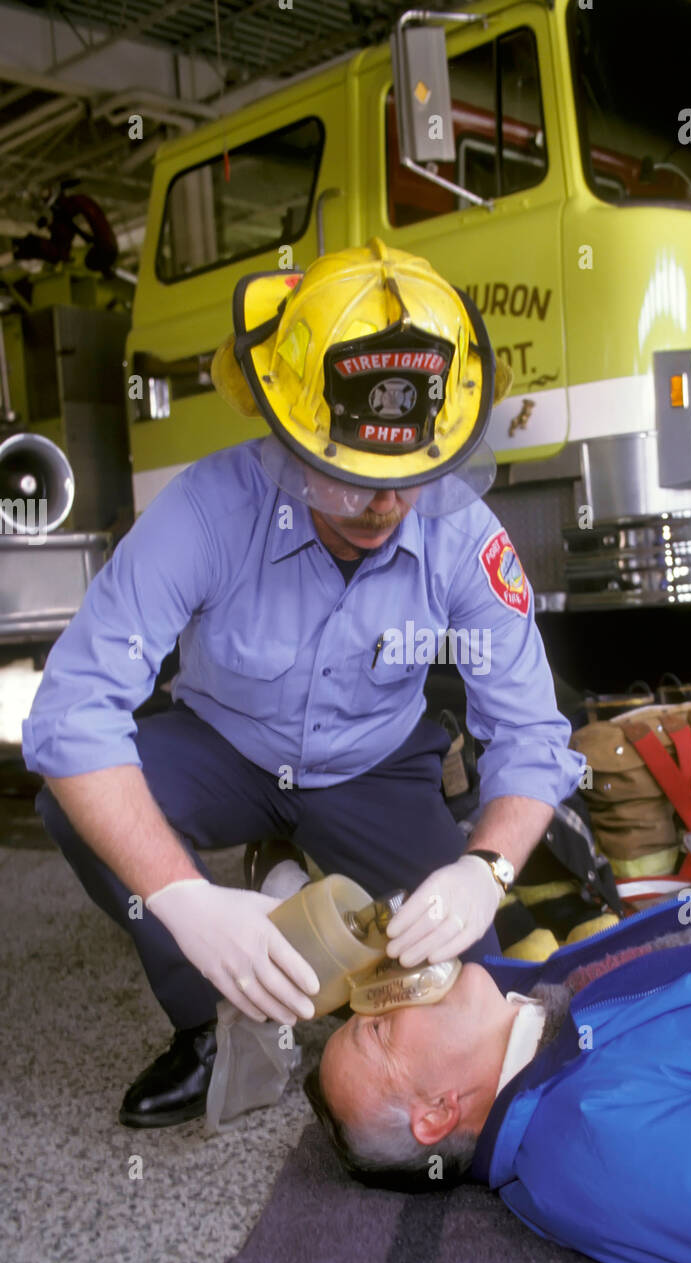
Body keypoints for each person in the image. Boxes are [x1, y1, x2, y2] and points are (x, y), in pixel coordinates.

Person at [22, 239, 585, 1128]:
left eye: (407, 480)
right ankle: (208, 1018)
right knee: (76, 807)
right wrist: (184, 902)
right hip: (224, 745)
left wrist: (486, 866)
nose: (383, 506)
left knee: (465, 966)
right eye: (352, 475)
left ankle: (286, 878)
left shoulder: (463, 536)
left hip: (374, 761)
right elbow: (67, 718)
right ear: (285, 437)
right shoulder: (205, 510)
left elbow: (530, 737)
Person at [311, 887, 691, 1263]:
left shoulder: (555, 1022)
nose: (389, 996)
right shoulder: (589, 1138)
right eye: (379, 1029)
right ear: (436, 1113)